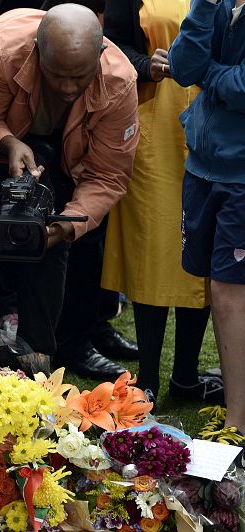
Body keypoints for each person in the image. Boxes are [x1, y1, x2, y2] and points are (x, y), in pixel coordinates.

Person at [0, 5, 139, 378]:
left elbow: (108, 176)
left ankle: (50, 356)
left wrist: (65, 227)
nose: (67, 88)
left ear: (99, 56)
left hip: (75, 164)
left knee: (77, 243)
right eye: (57, 75)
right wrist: (7, 143)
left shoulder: (120, 81)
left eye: (79, 77)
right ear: (37, 51)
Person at [102, 0, 221, 405]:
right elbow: (109, 44)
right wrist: (143, 64)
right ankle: (147, 379)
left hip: (217, 118)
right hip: (155, 118)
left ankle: (185, 376)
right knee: (152, 249)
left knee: (202, 245)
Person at [169, 0, 245, 437]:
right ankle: (238, 402)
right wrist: (201, 9)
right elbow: (182, 67)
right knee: (221, 286)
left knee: (229, 290)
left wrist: (208, 73)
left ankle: (237, 421)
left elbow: (241, 87)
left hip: (240, 177)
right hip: (203, 166)